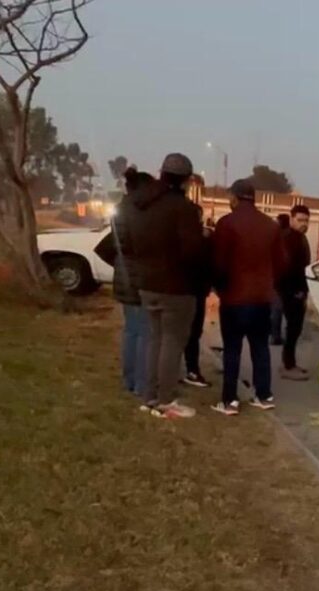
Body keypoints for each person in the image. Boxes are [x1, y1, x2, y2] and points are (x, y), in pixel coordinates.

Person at [120, 153, 205, 419]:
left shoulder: (140, 203)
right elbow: (193, 252)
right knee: (172, 342)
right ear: (186, 180)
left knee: (154, 340)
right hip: (176, 287)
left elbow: (127, 242)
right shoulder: (183, 209)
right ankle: (166, 400)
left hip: (147, 284)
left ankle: (150, 396)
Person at [211, 179, 286, 416]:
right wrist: (268, 284)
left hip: (234, 298)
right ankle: (264, 395)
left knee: (232, 349)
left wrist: (220, 288)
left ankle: (229, 400)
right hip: (262, 299)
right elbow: (281, 263)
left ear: (234, 197)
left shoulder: (226, 224)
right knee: (260, 347)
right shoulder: (270, 226)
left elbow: (219, 263)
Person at [95, 167, 153, 398]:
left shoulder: (120, 210)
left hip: (124, 278)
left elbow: (115, 245)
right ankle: (141, 384)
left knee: (130, 330)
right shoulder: (142, 212)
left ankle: (129, 380)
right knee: (144, 332)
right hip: (141, 278)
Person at [277, 204, 312, 380]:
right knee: (292, 328)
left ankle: (289, 363)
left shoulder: (300, 237)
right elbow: (288, 268)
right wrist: (295, 291)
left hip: (297, 289)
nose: (303, 223)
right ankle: (288, 365)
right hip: (291, 290)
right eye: (300, 220)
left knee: (295, 329)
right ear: (291, 219)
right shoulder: (289, 238)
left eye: (306, 220)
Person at [182, 211, 214, 388]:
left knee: (174, 334)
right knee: (193, 333)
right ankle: (192, 369)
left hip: (178, 291)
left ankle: (172, 371)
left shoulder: (175, 236)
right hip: (197, 292)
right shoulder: (205, 239)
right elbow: (211, 265)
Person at [269, 213, 290, 345]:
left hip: (275, 277)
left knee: (275, 307)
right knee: (280, 308)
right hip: (285, 278)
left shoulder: (275, 236)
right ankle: (276, 335)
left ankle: (274, 334)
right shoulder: (290, 236)